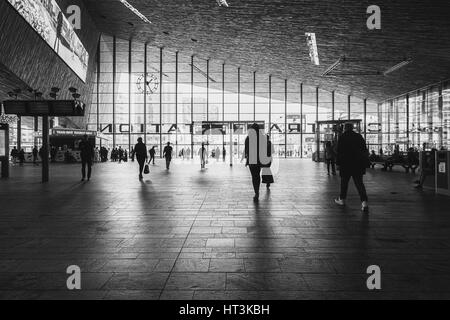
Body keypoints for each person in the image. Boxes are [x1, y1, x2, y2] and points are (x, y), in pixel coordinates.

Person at [334, 123, 369, 212]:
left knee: (344, 183)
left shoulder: (342, 137)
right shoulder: (359, 136)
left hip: (345, 164)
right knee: (359, 184)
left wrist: (338, 164)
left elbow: (339, 151)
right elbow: (364, 150)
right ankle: (364, 202)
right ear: (352, 128)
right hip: (358, 164)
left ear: (345, 128)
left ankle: (342, 199)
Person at [244, 123, 271, 202]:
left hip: (252, 160)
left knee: (254, 176)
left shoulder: (248, 138)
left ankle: (256, 192)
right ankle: (257, 191)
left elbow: (246, 150)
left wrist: (247, 159)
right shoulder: (263, 137)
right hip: (259, 159)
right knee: (257, 176)